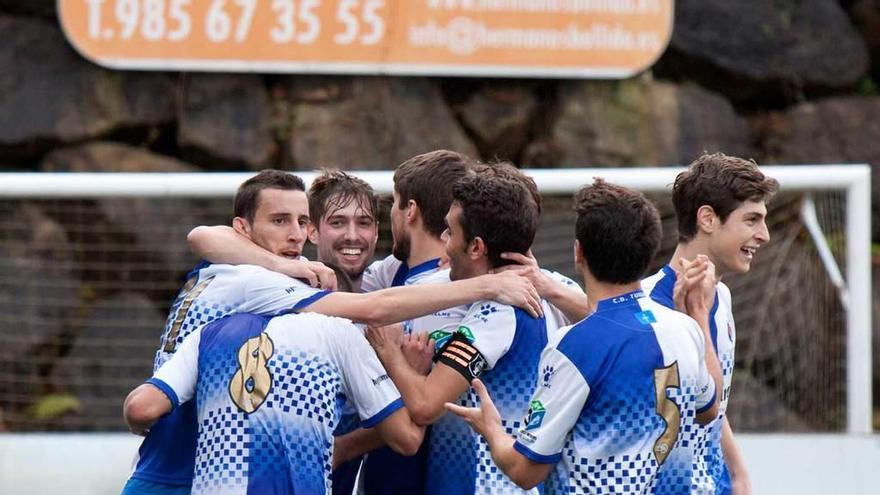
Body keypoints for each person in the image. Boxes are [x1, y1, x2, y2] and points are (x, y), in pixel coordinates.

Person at [120, 169, 541, 495]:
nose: (294, 232)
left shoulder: (384, 278)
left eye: (299, 221)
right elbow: (377, 316)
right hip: (191, 469)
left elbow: (141, 407)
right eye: (334, 222)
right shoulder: (264, 290)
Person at [446, 179, 723, 494]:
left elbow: (525, 471)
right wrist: (699, 314)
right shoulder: (684, 329)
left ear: (578, 252)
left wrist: (492, 428)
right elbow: (709, 409)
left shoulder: (574, 346)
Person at [365, 171, 548, 495]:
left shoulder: (497, 315)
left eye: (450, 232)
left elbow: (424, 404)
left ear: (476, 247)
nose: (444, 243)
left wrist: (390, 353)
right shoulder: (554, 290)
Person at [123, 310, 425, 495]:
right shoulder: (338, 333)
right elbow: (407, 439)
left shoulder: (208, 333)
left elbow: (141, 409)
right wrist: (411, 372)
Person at [641, 153, 778, 495]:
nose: (764, 235)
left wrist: (739, 473)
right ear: (707, 219)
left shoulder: (723, 298)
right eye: (751, 220)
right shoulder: (643, 308)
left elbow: (715, 403)